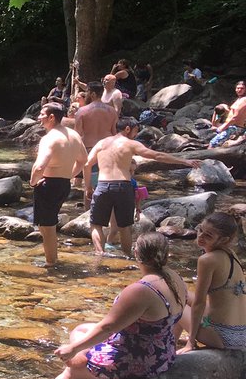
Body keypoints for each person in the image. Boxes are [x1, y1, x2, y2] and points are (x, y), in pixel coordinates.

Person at [6, 233, 186, 379]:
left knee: (74, 368)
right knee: (81, 329)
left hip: (139, 361)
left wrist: (73, 349)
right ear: (166, 255)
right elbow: (192, 305)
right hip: (162, 353)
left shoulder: (141, 290)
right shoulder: (174, 278)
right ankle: (81, 367)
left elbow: (107, 328)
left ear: (136, 252)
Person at [84, 118, 199, 255]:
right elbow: (157, 155)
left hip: (103, 186)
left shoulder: (101, 143)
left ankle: (99, 254)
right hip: (123, 186)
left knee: (96, 224)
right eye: (135, 131)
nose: (135, 134)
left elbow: (86, 165)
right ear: (127, 129)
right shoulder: (131, 144)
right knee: (125, 227)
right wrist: (184, 161)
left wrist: (88, 187)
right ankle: (127, 257)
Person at [30, 103, 88, 267]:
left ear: (51, 117)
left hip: (48, 185)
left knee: (47, 228)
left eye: (42, 114)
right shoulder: (74, 135)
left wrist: (33, 182)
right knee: (46, 225)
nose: (39, 117)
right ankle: (53, 258)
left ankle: (51, 264)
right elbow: (83, 160)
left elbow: (40, 166)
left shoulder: (49, 138)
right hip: (63, 185)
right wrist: (69, 175)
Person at [183, 212, 246, 350]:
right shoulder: (232, 254)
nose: (200, 236)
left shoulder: (207, 260)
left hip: (224, 336)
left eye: (208, 235)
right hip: (242, 334)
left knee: (174, 303)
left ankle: (170, 350)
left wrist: (190, 341)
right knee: (182, 293)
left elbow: (199, 303)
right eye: (200, 230)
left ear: (223, 240)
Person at [210, 81, 246, 147]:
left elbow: (235, 117)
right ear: (235, 89)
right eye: (238, 88)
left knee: (213, 143)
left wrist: (222, 128)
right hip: (230, 124)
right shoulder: (239, 99)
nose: (239, 90)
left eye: (242, 88)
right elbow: (232, 113)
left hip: (236, 127)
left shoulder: (244, 100)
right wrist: (225, 108)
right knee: (218, 108)